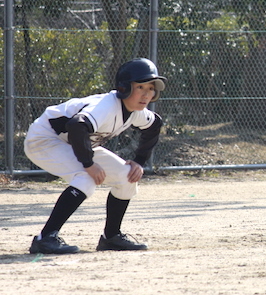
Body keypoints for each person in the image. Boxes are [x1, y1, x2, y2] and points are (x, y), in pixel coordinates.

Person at [25, 58, 167, 254]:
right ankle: (45, 237)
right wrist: (88, 163)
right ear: (124, 87)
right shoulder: (106, 106)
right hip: (45, 140)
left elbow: (155, 125)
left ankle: (111, 237)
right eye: (141, 86)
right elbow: (77, 125)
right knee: (85, 177)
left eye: (151, 88)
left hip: (76, 143)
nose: (146, 94)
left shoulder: (136, 111)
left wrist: (139, 162)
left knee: (127, 176)